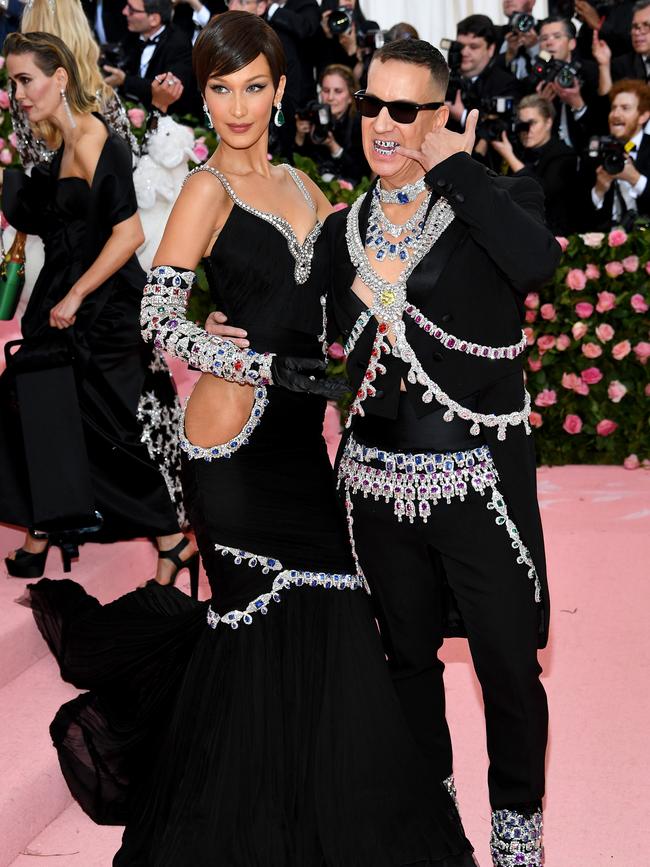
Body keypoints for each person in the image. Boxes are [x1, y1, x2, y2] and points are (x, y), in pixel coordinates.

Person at [25, 13, 476, 865]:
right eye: (220, 90)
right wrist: (252, 357)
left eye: (254, 87)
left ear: (280, 88)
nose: (237, 107)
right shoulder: (206, 190)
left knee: (336, 613)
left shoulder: (309, 190)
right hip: (229, 449)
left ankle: (323, 817)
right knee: (261, 627)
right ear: (204, 95)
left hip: (303, 451)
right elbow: (161, 317)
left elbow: (340, 313)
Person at [208, 36, 561, 866]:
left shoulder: (497, 199)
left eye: (407, 109)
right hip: (371, 487)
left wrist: (458, 170)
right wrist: (225, 333)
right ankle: (431, 826)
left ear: (443, 115)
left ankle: (519, 831)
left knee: (508, 666)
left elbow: (537, 264)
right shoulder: (341, 232)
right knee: (405, 662)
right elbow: (291, 335)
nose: (385, 125)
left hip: (478, 483)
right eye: (374, 106)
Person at [0, 31, 192, 587]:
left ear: (59, 77)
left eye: (25, 80)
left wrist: (77, 295)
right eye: (13, 83)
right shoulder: (61, 145)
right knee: (41, 412)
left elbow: (128, 234)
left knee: (111, 430)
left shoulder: (92, 139)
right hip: (63, 307)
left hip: (99, 309)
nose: (19, 93)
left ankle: (172, 540)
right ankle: (44, 531)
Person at [10, 0, 136, 168]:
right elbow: (128, 167)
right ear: (78, 27)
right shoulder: (100, 93)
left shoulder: (18, 91)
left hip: (43, 191)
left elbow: (29, 162)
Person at [489, 94, 579, 235]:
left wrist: (510, 157)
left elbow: (544, 193)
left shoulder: (563, 154)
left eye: (532, 123)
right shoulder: (517, 150)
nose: (526, 130)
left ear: (548, 122)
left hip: (552, 235)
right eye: (522, 124)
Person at [104, 0, 197, 119]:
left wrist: (125, 80)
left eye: (132, 9)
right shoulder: (132, 34)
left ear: (154, 19)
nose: (124, 11)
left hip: (170, 120)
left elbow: (169, 90)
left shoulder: (179, 43)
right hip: (134, 114)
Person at [583, 77, 650, 227]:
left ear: (643, 116)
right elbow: (580, 215)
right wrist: (599, 191)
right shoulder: (596, 151)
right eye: (613, 108)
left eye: (625, 108)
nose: (615, 114)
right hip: (606, 243)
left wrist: (636, 179)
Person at [533, 15, 600, 153]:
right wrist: (542, 107)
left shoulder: (590, 72)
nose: (549, 43)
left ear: (572, 43)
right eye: (544, 39)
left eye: (557, 37)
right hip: (551, 154)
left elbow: (599, 127)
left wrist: (578, 104)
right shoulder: (535, 78)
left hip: (584, 151)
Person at [294, 63, 369, 185]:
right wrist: (300, 136)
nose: (330, 97)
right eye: (326, 90)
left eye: (338, 91)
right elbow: (298, 166)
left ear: (350, 96)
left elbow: (360, 174)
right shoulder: (313, 115)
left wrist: (334, 147)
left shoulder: (360, 123)